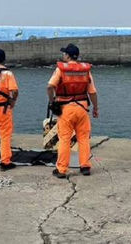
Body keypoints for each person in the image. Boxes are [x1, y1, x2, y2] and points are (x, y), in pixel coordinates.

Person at [47, 43, 99, 178]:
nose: (63, 55)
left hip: (66, 109)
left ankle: (62, 169)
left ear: (68, 55)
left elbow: (50, 86)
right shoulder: (85, 70)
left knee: (64, 139)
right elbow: (92, 92)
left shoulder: (61, 70)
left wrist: (52, 101)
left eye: (64, 53)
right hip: (82, 108)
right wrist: (95, 108)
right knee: (84, 138)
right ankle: (85, 166)